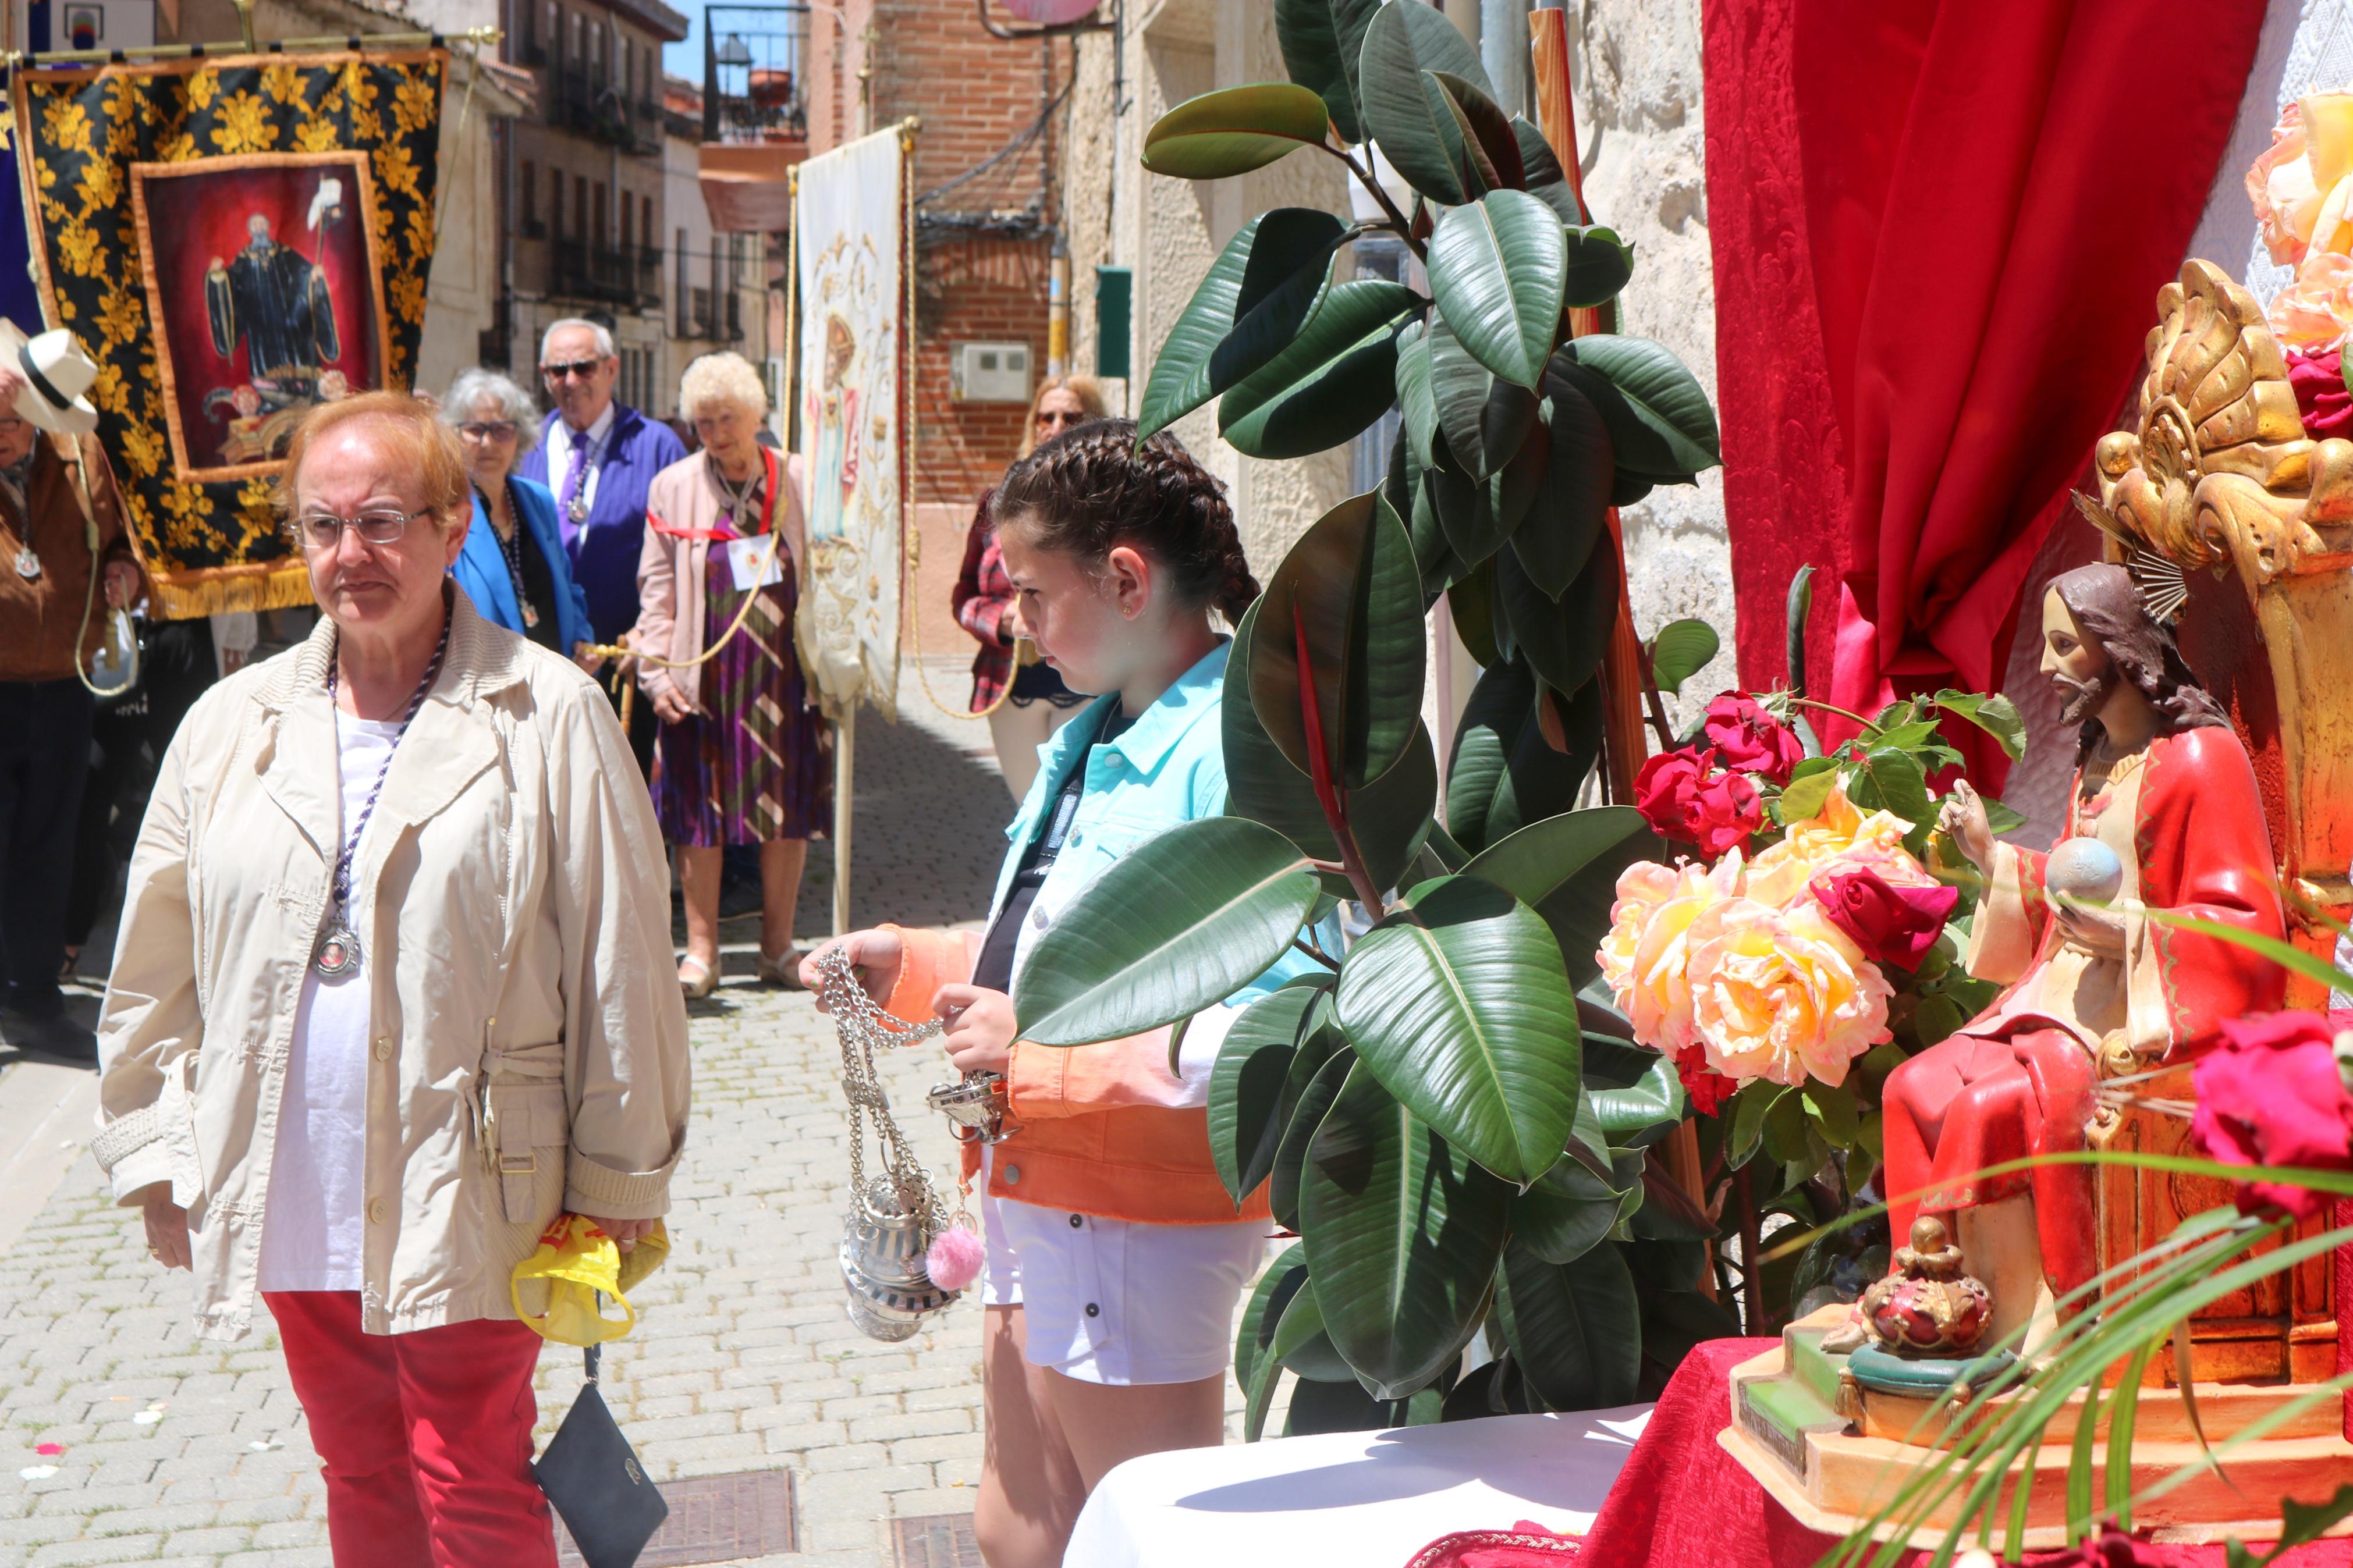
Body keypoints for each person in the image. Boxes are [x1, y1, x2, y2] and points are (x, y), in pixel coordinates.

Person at [94, 393, 690, 1568]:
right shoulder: (230, 725)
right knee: (357, 1463)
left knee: (468, 1471)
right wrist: (157, 1150)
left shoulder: (549, 712)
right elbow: (152, 967)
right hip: (291, 1168)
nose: (349, 554)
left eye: (380, 521)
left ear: (451, 519)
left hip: (475, 1169)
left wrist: (621, 1177)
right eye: (322, 526)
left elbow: (623, 964)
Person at [803, 421, 1309, 1568]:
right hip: (1045, 1191)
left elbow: (1279, 1018)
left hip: (1134, 1214)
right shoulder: (1094, 734)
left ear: (1125, 579)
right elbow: (1047, 946)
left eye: (1031, 590)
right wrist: (916, 962)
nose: (1012, 619)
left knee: (1141, 1540)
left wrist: (1034, 1055)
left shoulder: (1235, 746)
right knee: (1020, 1525)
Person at [1877, 563, 2283, 1347]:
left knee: (1977, 1108)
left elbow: (2246, 923)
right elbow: (2072, 882)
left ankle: (2015, 1322)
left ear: (2117, 648)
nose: (2041, 667)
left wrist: (2129, 931)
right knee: (1907, 1086)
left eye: (2062, 645)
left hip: (2136, 1013)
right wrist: (1995, 857)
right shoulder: (2095, 761)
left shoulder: (2199, 760)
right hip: (2057, 994)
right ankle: (1914, 1285)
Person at [638, 351, 829, 998]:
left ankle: (777, 949)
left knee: (786, 809)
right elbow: (657, 589)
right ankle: (702, 954)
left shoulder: (798, 477)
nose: (716, 433)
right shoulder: (673, 486)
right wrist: (657, 675)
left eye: (727, 418)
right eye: (703, 422)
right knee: (698, 811)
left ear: (756, 416)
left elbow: (833, 568)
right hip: (705, 673)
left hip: (785, 671)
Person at [0, 323, 141, 1057]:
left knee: (47, 845)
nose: (3, 435)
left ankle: (31, 998)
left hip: (62, 682)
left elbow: (118, 541)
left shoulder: (81, 456)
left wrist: (125, 572)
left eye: (13, 424)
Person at [517, 318, 686, 776]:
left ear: (612, 369)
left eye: (584, 367)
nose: (571, 381)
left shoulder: (657, 446)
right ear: (544, 375)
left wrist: (653, 636)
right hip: (541, 666)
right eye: (558, 370)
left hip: (625, 663)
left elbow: (685, 563)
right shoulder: (521, 447)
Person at [953, 376, 1106, 799]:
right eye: (1047, 415)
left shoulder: (1108, 502)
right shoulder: (997, 502)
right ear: (1033, 423)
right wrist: (1000, 620)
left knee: (1076, 814)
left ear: (1093, 423)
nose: (1056, 425)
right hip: (1009, 684)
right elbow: (964, 594)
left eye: (1071, 416)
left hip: (1085, 684)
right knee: (1028, 815)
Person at [441, 367, 600, 669]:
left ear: (519, 436)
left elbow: (568, 587)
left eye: (502, 430)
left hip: (555, 682)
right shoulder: (446, 514)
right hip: (488, 685)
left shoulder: (537, 500)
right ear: (454, 434)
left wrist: (582, 638)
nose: (488, 443)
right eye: (475, 430)